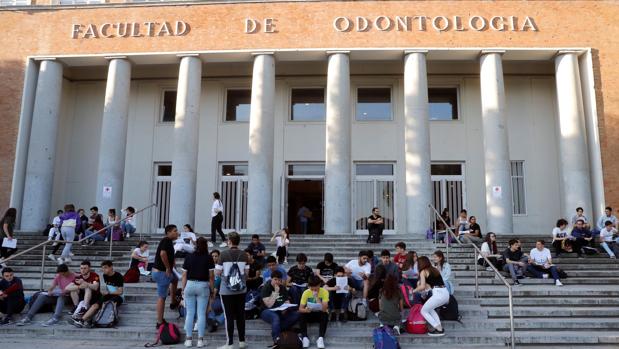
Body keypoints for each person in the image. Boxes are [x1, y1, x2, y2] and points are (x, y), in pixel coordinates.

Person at [215, 231, 249, 349]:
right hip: (241, 289)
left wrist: (225, 276)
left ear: (229, 241)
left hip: (226, 291)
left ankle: (229, 343)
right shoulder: (244, 255)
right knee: (240, 315)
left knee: (228, 316)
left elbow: (218, 272)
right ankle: (242, 342)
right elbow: (246, 274)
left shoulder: (223, 254)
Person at [182, 237, 215, 348]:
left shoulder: (189, 256)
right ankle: (200, 340)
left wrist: (183, 289)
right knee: (201, 314)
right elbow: (211, 277)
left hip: (190, 284)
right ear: (205, 245)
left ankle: (188, 340)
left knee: (190, 313)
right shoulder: (209, 258)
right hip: (203, 285)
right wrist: (212, 290)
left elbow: (184, 275)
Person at [72, 260, 124, 328]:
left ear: (111, 267)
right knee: (95, 305)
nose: (103, 270)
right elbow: (108, 288)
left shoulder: (118, 276)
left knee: (105, 304)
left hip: (118, 297)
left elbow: (120, 291)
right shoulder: (105, 275)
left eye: (105, 268)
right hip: (108, 295)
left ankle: (88, 320)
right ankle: (82, 320)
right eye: (102, 268)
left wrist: (108, 293)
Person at [259, 270, 300, 349]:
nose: (277, 282)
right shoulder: (266, 287)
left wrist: (286, 307)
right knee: (275, 317)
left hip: (280, 310)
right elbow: (269, 305)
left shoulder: (282, 287)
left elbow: (287, 301)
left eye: (279, 280)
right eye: (275, 279)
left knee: (298, 314)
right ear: (271, 279)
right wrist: (276, 292)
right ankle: (276, 341)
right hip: (267, 311)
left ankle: (280, 328)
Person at [152, 224, 180, 327]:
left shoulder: (169, 242)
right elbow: (163, 254)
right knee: (162, 297)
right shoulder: (166, 240)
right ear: (168, 233)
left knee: (175, 279)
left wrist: (173, 267)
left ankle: (173, 302)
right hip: (161, 273)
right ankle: (159, 322)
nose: (177, 232)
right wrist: (168, 268)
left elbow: (169, 255)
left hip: (162, 272)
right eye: (175, 231)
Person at [413, 256, 449, 337]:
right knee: (430, 309)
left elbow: (422, 286)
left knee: (423, 311)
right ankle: (439, 328)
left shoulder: (423, 271)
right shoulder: (434, 269)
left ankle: (438, 329)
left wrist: (413, 290)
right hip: (445, 293)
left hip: (438, 293)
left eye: (417, 263)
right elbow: (429, 286)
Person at [299, 275, 329, 349]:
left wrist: (317, 298)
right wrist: (305, 310)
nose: (314, 289)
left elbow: (324, 309)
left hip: (320, 313)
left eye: (316, 287)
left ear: (319, 285)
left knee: (325, 315)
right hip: (310, 313)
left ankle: (320, 338)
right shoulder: (306, 292)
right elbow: (300, 309)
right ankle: (305, 337)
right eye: (312, 288)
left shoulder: (324, 292)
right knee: (301, 315)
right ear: (309, 286)